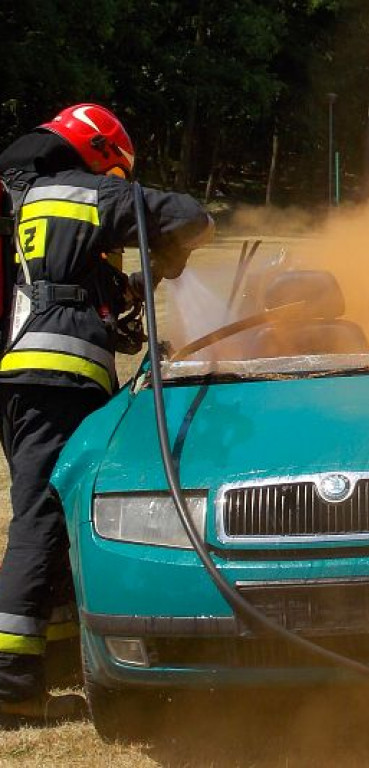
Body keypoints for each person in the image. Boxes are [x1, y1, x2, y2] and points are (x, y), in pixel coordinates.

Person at [0, 104, 212, 721]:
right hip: (59, 376)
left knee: (57, 506)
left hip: (18, 378)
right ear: (98, 154)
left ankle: (60, 651)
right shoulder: (84, 193)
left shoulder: (24, 196)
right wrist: (166, 257)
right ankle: (11, 678)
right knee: (41, 514)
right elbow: (189, 215)